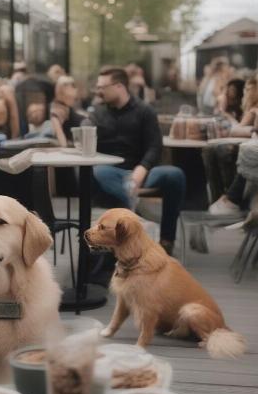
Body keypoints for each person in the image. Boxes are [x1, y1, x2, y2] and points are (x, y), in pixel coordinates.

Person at [90, 67, 186, 256]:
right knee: (98, 171)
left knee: (175, 175)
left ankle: (166, 240)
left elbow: (155, 146)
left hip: (142, 172)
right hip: (110, 172)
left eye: (102, 87)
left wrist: (143, 168)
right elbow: (86, 127)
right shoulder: (98, 112)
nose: (99, 91)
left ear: (119, 86)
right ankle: (138, 211)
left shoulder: (144, 111)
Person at [204, 76, 257, 207]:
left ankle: (228, 197)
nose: (246, 92)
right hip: (246, 144)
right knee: (211, 150)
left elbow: (235, 130)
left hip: (247, 146)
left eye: (248, 89)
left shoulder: (253, 109)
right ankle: (221, 196)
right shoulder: (249, 108)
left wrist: (251, 130)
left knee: (218, 150)